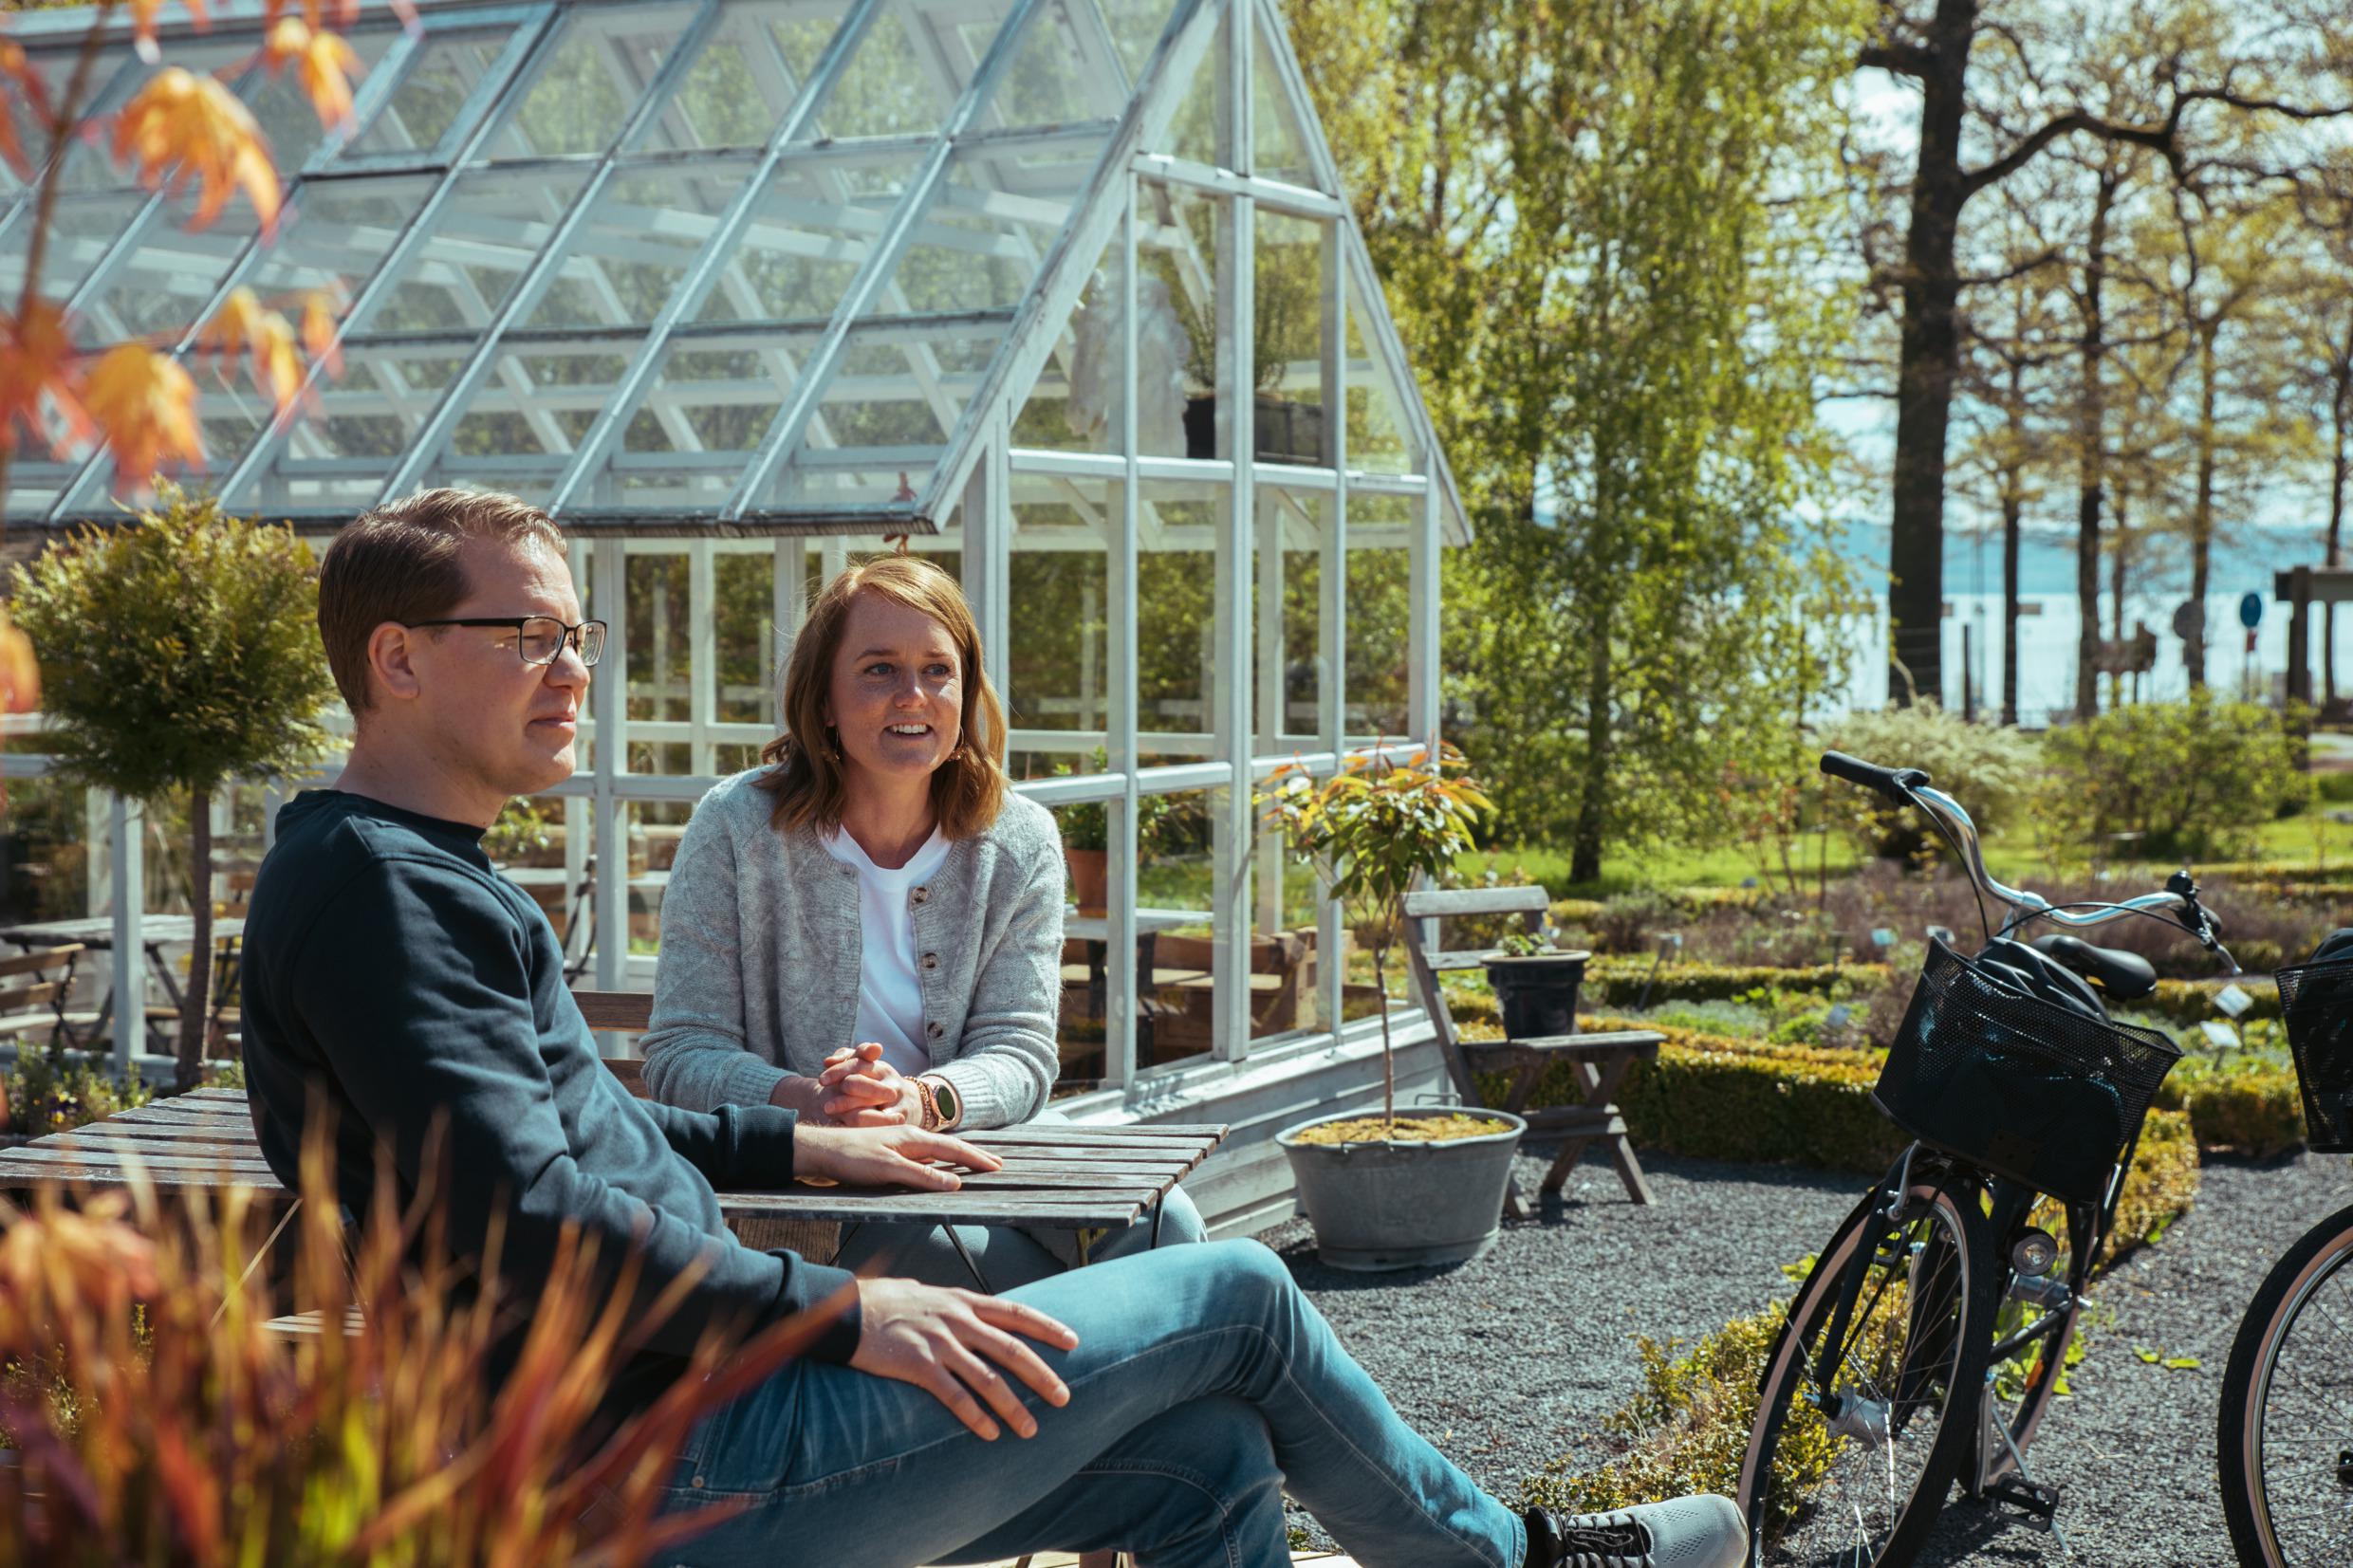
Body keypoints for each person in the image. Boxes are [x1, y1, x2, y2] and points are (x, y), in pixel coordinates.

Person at [237, 488, 1748, 1568]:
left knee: (1206, 1464)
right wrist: (841, 1309)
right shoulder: (385, 897)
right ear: (398, 658)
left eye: (582, 638)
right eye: (531, 637)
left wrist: (789, 1137)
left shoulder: (401, 870)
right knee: (1234, 1289)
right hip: (658, 1466)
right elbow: (529, 1217)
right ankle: (1522, 1559)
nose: (572, 674)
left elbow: (595, 1132)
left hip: (688, 1410)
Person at [639, 555, 1204, 1289]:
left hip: (971, 1152)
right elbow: (681, 1055)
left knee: (1171, 1224)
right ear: (823, 702)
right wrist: (814, 1104)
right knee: (1004, 1273)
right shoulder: (737, 827)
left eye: (938, 670)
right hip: (809, 1191)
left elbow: (1021, 1052)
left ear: (966, 693)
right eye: (879, 669)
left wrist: (921, 1101)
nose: (914, 694)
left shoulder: (1019, 839)